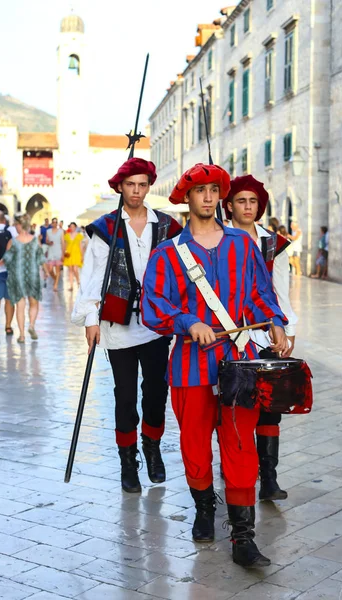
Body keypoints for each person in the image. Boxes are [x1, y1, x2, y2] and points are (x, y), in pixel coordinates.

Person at [141, 163, 288, 568]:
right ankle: (205, 506)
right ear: (186, 198)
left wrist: (274, 319)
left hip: (238, 363)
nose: (207, 197)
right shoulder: (167, 252)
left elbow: (260, 292)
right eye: (199, 190)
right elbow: (154, 306)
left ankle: (243, 537)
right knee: (194, 448)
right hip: (190, 366)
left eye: (213, 190)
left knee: (241, 447)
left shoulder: (242, 244)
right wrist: (188, 322)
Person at [72, 158, 182, 494]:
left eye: (142, 185)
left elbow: (180, 273)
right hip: (116, 324)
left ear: (149, 187)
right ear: (120, 186)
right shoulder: (106, 228)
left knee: (155, 391)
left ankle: (152, 445)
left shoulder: (166, 226)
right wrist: (91, 320)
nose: (136, 191)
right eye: (130, 184)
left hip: (154, 323)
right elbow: (92, 278)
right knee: (124, 395)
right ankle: (127, 461)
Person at [223, 175, 298, 501]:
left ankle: (268, 477)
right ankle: (235, 468)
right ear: (230, 205)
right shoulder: (218, 239)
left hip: (267, 332)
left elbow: (281, 289)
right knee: (234, 404)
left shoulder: (273, 243)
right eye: (241, 201)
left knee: (271, 405)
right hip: (229, 332)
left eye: (253, 201)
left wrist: (288, 328)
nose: (248, 207)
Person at [2, 214, 48, 343]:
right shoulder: (35, 240)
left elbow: (7, 260)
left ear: (19, 225)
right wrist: (46, 271)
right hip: (33, 276)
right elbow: (41, 259)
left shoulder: (13, 241)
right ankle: (32, 325)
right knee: (34, 303)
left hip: (18, 277)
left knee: (20, 306)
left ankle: (22, 335)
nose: (15, 227)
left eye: (15, 224)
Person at [64, 222, 85, 291]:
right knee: (70, 270)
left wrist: (82, 256)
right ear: (69, 227)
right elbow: (65, 245)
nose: (72, 228)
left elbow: (81, 246)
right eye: (71, 226)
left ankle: (78, 281)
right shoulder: (67, 235)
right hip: (69, 254)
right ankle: (71, 286)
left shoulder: (79, 235)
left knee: (75, 269)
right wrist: (64, 253)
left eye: (73, 227)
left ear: (75, 227)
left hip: (77, 254)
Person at [46, 218, 65, 291]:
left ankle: (56, 285)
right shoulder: (48, 231)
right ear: (51, 223)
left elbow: (63, 242)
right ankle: (55, 279)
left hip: (58, 251)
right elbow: (47, 240)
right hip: (51, 252)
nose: (54, 223)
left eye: (56, 222)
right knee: (50, 269)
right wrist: (49, 242)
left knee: (57, 269)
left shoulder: (61, 231)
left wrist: (63, 253)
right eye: (53, 222)